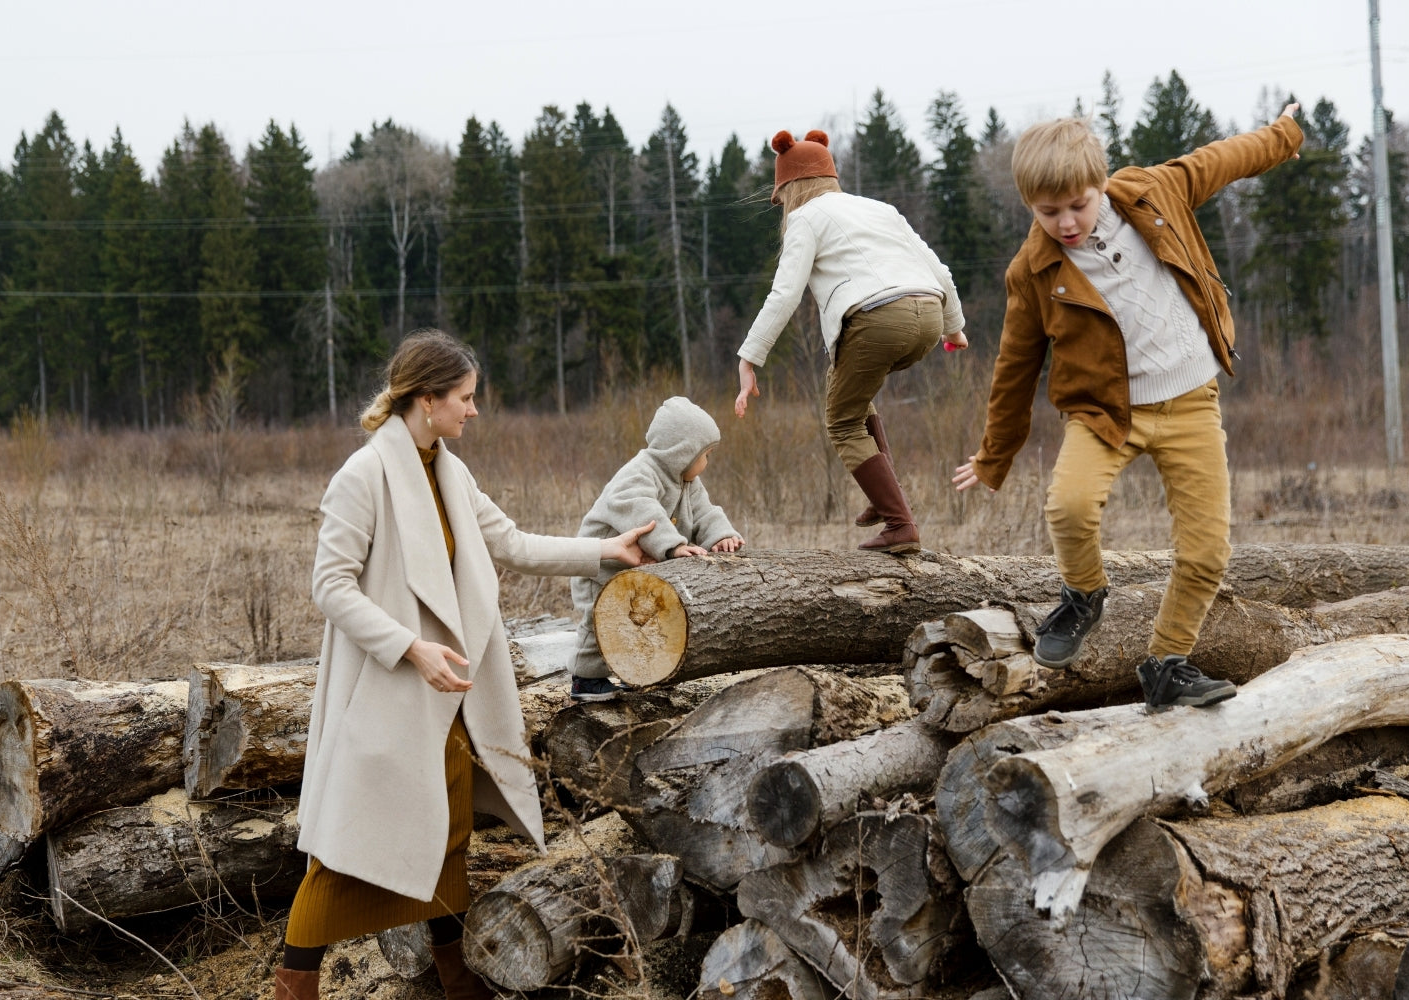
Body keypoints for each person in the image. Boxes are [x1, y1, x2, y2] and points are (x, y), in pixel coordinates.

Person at [278, 329, 658, 1000]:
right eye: (465, 397)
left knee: (449, 827)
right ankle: (294, 986)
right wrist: (409, 646)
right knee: (343, 849)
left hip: (445, 691)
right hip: (384, 688)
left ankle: (455, 975)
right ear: (426, 400)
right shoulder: (362, 476)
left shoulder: (449, 471)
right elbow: (330, 587)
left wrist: (606, 551)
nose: (474, 410)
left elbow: (510, 542)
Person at [953, 107, 1303, 712]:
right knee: (1068, 506)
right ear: (1029, 205)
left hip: (1192, 403)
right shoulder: (1032, 271)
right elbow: (1014, 368)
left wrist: (1283, 136)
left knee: (1206, 552)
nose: (1066, 222)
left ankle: (1167, 664)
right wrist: (993, 455)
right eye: (1048, 212)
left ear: (1101, 183)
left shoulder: (1152, 192)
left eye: (1078, 205)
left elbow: (1224, 159)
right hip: (1106, 413)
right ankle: (1084, 594)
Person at [734, 128, 968, 554]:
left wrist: (749, 359)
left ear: (789, 188)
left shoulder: (805, 218)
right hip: (928, 316)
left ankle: (900, 523)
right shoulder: (881, 210)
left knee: (842, 421)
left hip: (878, 320)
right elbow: (940, 270)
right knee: (851, 395)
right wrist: (954, 327)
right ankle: (884, 496)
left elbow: (784, 295)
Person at [568, 396, 745, 701]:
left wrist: (720, 536)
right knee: (602, 618)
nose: (707, 462)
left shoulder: (688, 482)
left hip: (639, 570)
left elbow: (705, 512)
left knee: (644, 621)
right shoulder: (639, 473)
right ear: (681, 452)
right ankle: (585, 678)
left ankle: (639, 672)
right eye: (705, 455)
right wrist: (672, 546)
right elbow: (641, 509)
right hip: (602, 566)